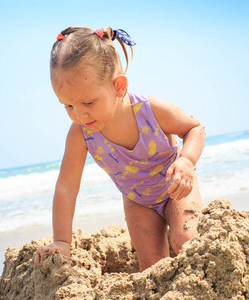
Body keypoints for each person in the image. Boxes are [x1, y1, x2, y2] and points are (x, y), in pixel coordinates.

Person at [34, 26, 205, 272]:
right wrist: (62, 241)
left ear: (119, 86)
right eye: (68, 106)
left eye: (88, 102)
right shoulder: (81, 134)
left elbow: (195, 128)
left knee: (185, 241)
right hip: (138, 201)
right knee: (152, 268)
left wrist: (187, 161)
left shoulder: (150, 110)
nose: (80, 115)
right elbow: (66, 189)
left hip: (175, 187)